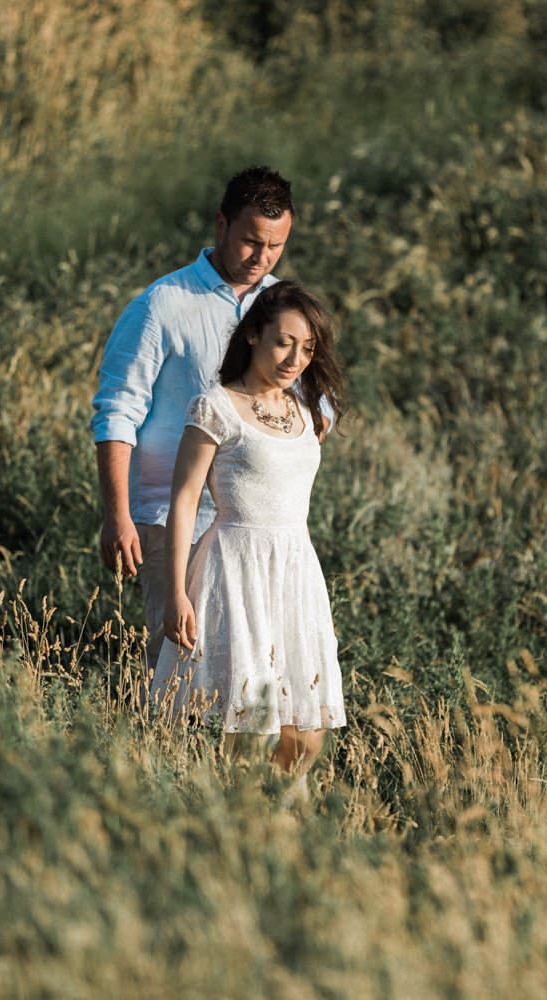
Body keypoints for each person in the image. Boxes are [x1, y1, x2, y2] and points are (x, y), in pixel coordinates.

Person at [91, 166, 295, 669]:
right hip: (170, 517)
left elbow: (316, 404)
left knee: (254, 665)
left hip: (255, 523)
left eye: (275, 246)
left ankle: (226, 753)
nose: (261, 258)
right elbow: (118, 411)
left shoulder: (282, 305)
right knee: (177, 661)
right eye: (251, 241)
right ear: (221, 226)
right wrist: (118, 515)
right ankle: (149, 749)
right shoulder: (163, 304)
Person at [150, 281, 347, 796]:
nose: (296, 358)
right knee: (250, 732)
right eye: (284, 342)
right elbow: (186, 499)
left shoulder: (307, 411)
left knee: (306, 737)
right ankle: (246, 839)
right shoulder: (215, 406)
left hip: (295, 572)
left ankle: (279, 827)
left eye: (308, 349)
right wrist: (175, 593)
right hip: (235, 567)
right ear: (254, 335)